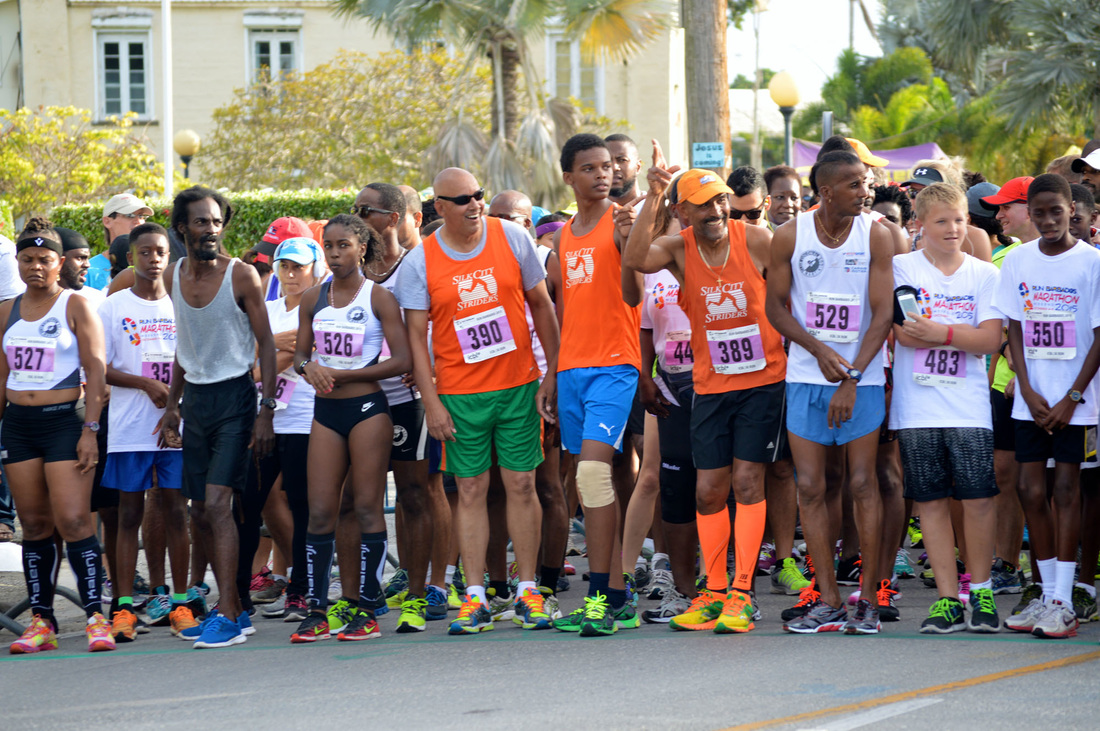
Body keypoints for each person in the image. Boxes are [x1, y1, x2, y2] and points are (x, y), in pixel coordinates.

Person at [626, 157, 788, 635]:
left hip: (762, 380)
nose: (716, 211)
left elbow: (790, 293)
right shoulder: (678, 248)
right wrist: (652, 196)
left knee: (747, 483)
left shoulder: (756, 239)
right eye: (703, 205)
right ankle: (713, 592)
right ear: (684, 212)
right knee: (707, 489)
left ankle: (742, 593)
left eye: (720, 200)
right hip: (711, 385)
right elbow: (635, 260)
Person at [397, 168, 559, 636]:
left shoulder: (512, 238)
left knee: (522, 485)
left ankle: (528, 592)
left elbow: (542, 306)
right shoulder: (421, 261)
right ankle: (473, 598)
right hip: (459, 395)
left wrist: (553, 374)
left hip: (518, 387)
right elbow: (415, 335)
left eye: (478, 195)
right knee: (469, 491)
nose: (474, 204)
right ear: (439, 207)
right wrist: (431, 404)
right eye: (462, 199)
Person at [766, 150, 895, 635]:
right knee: (811, 486)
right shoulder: (790, 235)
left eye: (866, 183)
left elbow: (882, 315)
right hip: (805, 376)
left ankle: (867, 598)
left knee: (863, 483)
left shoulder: (876, 234)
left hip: (860, 377)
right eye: (856, 184)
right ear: (825, 191)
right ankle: (829, 598)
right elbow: (775, 309)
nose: (866, 191)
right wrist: (817, 350)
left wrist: (852, 376)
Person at [158, 185, 278, 649]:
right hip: (196, 403)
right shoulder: (173, 275)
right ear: (182, 226)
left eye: (216, 222)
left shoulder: (242, 275)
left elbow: (266, 342)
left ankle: (228, 612)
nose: (210, 230)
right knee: (199, 511)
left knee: (216, 504)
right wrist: (172, 404)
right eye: (201, 222)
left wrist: (265, 409)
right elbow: (183, 347)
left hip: (236, 399)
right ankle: (235, 609)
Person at [287, 214, 411, 643]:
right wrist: (310, 368)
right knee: (320, 511)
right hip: (325, 413)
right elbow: (301, 356)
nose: (336, 254)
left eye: (344, 246)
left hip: (367, 410)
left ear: (362, 248)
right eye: (329, 247)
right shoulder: (311, 298)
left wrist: (349, 376)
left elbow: (403, 360)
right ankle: (318, 610)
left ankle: (367, 608)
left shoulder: (378, 298)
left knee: (365, 508)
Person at [890, 184, 1004, 633]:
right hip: (917, 407)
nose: (953, 229)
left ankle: (982, 592)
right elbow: (904, 332)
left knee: (977, 500)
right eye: (941, 221)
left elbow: (990, 339)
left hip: (968, 407)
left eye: (959, 219)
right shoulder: (902, 266)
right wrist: (960, 332)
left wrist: (939, 332)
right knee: (931, 502)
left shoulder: (983, 274)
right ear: (919, 224)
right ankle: (946, 599)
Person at [2, 218, 113, 653]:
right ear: (17, 262)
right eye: (27, 259)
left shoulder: (75, 305)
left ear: (59, 262)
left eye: (44, 260)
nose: (35, 267)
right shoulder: (6, 310)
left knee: (72, 521)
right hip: (19, 426)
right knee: (33, 525)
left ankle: (96, 617)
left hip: (65, 421)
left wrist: (91, 429)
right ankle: (41, 621)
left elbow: (97, 370)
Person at [997, 174, 1100, 639]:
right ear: (1030, 214)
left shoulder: (1092, 263)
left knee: (1066, 491)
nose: (1049, 220)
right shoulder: (1017, 261)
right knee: (1029, 490)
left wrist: (1072, 397)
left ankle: (1062, 600)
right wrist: (1026, 385)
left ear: (1072, 210)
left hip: (1078, 401)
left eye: (1056, 211)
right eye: (1039, 213)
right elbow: (1014, 328)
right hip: (1032, 401)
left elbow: (1099, 338)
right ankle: (1044, 594)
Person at [550, 134, 644, 637]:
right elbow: (565, 310)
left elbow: (636, 293)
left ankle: (602, 596)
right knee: (585, 486)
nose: (602, 174)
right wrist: (553, 373)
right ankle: (620, 598)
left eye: (607, 166)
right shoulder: (564, 236)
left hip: (615, 365)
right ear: (569, 177)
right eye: (589, 168)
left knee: (591, 475)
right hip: (571, 371)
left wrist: (630, 242)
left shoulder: (621, 223)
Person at [98, 222, 194, 641]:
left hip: (174, 429)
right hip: (130, 428)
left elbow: (194, 362)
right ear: (131, 257)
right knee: (128, 516)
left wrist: (172, 404)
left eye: (160, 252)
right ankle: (122, 608)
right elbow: (97, 366)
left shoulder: (183, 305)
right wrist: (145, 385)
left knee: (176, 512)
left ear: (168, 257)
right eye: (145, 252)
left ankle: (180, 603)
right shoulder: (113, 307)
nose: (153, 259)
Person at [488, 190, 569, 615]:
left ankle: (548, 580)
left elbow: (564, 324)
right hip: (495, 388)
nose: (503, 225)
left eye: (514, 219)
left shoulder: (546, 262)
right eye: (495, 217)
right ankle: (500, 585)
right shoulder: (482, 259)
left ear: (530, 225)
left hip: (542, 386)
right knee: (496, 491)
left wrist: (554, 383)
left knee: (547, 486)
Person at [91, 194, 152, 290]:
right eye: (129, 215)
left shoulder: (152, 267)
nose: (138, 221)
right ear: (107, 221)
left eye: (141, 216)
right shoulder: (89, 271)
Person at [764, 165, 802, 230]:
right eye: (780, 197)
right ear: (765, 200)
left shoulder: (809, 232)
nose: (788, 204)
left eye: (794, 198)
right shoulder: (755, 236)